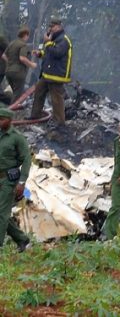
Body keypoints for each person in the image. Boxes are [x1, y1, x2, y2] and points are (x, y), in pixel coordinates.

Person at [29, 18, 72, 124]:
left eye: (52, 27)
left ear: (59, 27)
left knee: (56, 100)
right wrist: (40, 54)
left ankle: (60, 122)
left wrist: (48, 43)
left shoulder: (63, 40)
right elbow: (49, 54)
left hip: (57, 75)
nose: (50, 29)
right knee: (39, 91)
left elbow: (57, 53)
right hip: (47, 74)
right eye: (50, 27)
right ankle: (35, 115)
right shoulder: (53, 39)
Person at [0, 107, 31, 252]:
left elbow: (26, 159)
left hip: (9, 180)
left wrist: (21, 182)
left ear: (10, 120)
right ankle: (23, 240)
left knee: (2, 213)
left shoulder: (16, 137)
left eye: (2, 119)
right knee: (3, 213)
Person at [3, 27, 36, 102]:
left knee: (15, 93)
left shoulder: (12, 43)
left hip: (8, 72)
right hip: (18, 73)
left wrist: (11, 63)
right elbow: (22, 58)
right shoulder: (23, 45)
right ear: (25, 35)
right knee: (17, 96)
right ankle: (11, 112)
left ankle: (9, 110)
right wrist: (32, 64)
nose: (28, 37)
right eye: (28, 36)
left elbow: (4, 56)